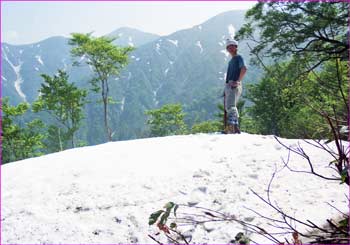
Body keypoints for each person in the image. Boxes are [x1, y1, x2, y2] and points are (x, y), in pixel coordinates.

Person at [224, 39, 247, 134]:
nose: (229, 48)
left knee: (231, 106)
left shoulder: (238, 57)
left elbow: (244, 68)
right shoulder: (232, 60)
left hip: (234, 84)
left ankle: (230, 128)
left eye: (231, 46)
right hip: (230, 85)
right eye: (228, 47)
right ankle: (236, 128)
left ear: (235, 47)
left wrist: (238, 81)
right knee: (229, 106)